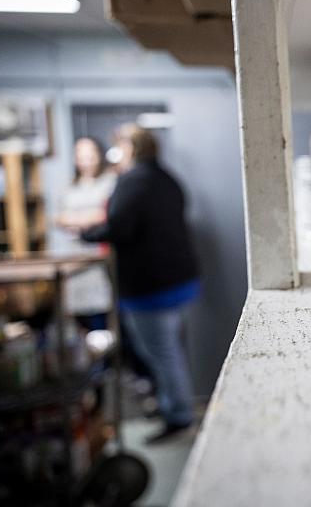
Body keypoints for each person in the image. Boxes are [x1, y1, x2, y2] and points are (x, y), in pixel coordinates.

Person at [81, 124, 199, 443]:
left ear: (130, 149)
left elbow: (118, 227)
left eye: (119, 146)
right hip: (179, 279)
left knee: (161, 352)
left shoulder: (133, 181)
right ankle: (174, 406)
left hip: (152, 286)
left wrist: (85, 232)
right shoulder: (167, 178)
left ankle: (178, 417)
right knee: (170, 350)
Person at [55, 137, 117, 328]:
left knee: (105, 307)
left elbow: (109, 214)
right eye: (81, 156)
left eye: (90, 155)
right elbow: (59, 217)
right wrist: (86, 219)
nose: (86, 161)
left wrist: (78, 219)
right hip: (76, 255)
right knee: (80, 313)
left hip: (102, 254)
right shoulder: (70, 187)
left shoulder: (111, 182)